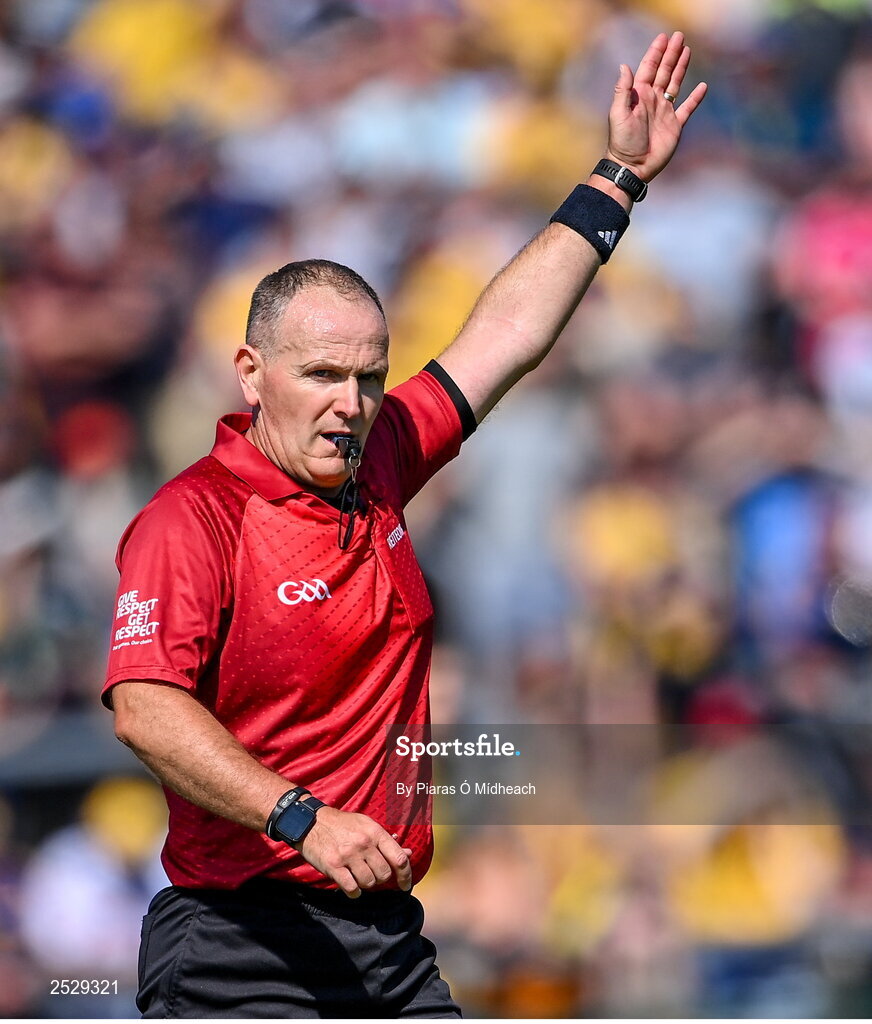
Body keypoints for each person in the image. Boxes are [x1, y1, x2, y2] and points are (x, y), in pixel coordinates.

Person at [103, 31, 706, 1019]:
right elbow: (144, 707)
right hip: (238, 945)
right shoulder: (194, 518)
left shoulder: (378, 458)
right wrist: (300, 817)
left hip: (382, 937)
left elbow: (502, 335)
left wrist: (618, 180)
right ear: (251, 374)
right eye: (321, 376)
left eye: (369, 377)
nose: (350, 402)